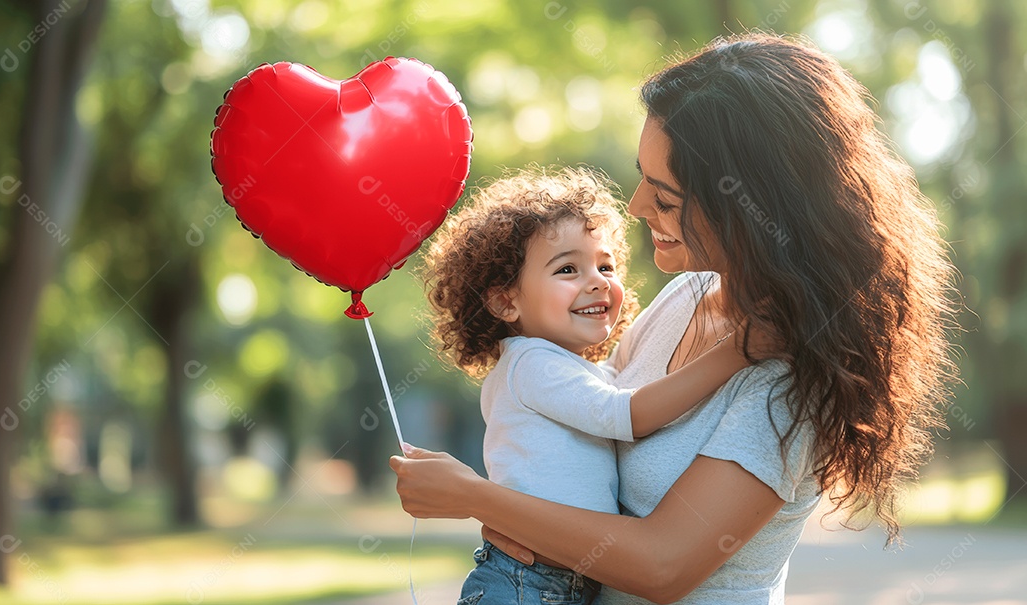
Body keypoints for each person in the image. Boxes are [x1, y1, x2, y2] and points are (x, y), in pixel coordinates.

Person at [391, 32, 957, 605]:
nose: (635, 207)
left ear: (744, 208)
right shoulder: (686, 294)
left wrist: (477, 498)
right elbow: (584, 415)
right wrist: (523, 511)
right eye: (643, 178)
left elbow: (662, 566)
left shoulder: (784, 373)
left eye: (664, 196)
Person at [421, 166, 756, 605]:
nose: (597, 280)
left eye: (605, 265)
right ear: (506, 300)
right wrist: (737, 352)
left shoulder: (574, 369)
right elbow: (631, 415)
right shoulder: (532, 365)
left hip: (556, 581)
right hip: (525, 583)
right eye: (567, 269)